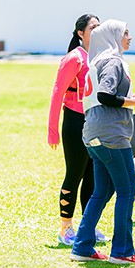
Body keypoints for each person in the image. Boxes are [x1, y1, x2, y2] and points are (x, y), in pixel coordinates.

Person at [70, 19, 135, 263]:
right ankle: (123, 251)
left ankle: (82, 248)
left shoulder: (95, 62)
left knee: (102, 191)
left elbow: (103, 98)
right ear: (113, 36)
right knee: (128, 190)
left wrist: (134, 95)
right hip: (111, 136)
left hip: (93, 134)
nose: (130, 36)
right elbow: (106, 95)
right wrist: (134, 102)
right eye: (125, 32)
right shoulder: (114, 61)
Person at [48, 14, 109, 245]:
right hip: (75, 122)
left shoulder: (98, 57)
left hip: (94, 122)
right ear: (80, 33)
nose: (96, 31)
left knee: (92, 176)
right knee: (74, 174)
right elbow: (57, 93)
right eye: (92, 27)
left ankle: (88, 227)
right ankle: (66, 229)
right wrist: (52, 130)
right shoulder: (74, 58)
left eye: (98, 27)